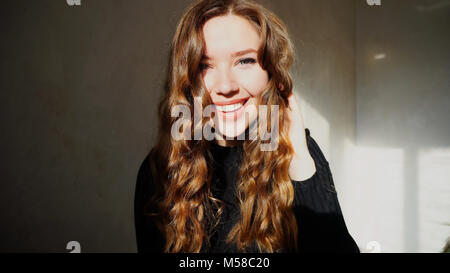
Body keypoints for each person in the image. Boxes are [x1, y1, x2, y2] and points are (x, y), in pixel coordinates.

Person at [134, 0, 360, 253]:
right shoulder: (161, 170)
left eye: (245, 61)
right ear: (186, 80)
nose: (226, 86)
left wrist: (298, 158)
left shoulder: (300, 153)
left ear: (271, 73)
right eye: (204, 65)